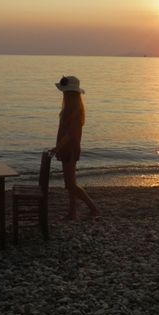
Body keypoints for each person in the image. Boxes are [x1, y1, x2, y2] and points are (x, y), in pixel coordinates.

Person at [50, 75, 100, 220]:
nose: (63, 94)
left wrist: (56, 148)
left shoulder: (75, 111)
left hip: (69, 148)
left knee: (70, 184)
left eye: (65, 92)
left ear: (69, 93)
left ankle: (94, 208)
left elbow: (70, 135)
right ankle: (72, 212)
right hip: (68, 148)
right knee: (71, 183)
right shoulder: (69, 109)